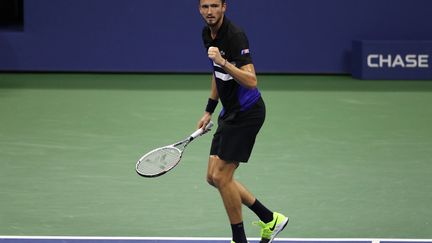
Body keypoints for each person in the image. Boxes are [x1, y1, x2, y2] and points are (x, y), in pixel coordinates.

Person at [196, 0, 289, 243]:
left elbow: (251, 80)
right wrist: (209, 110)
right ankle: (270, 219)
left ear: (224, 7)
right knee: (212, 177)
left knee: (222, 177)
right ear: (199, 9)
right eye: (205, 6)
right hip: (229, 112)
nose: (210, 11)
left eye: (215, 6)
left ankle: (239, 239)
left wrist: (224, 61)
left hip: (247, 113)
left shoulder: (235, 36)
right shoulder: (207, 33)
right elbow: (217, 74)